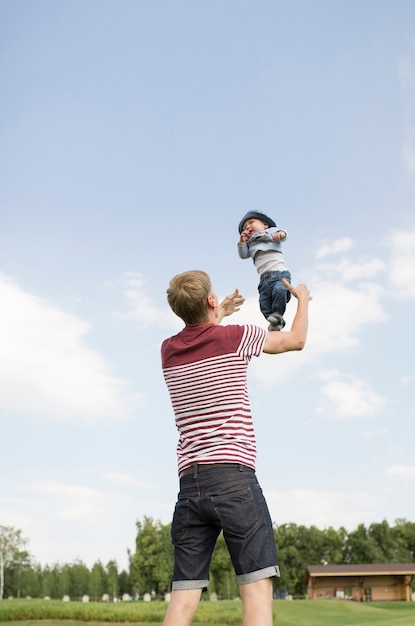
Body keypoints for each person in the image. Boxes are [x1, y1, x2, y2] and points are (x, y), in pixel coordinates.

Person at [160, 269, 312, 626]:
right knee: (257, 594)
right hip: (233, 480)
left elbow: (199, 335)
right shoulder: (235, 337)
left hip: (189, 487)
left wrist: (217, 313)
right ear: (210, 301)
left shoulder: (168, 351)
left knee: (182, 600)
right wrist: (302, 300)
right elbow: (295, 340)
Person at [238, 210, 291, 331]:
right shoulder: (249, 244)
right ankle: (275, 322)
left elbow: (283, 233)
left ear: (265, 224)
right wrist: (242, 242)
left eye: (251, 222)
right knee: (264, 303)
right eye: (245, 228)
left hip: (279, 274)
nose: (248, 227)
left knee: (279, 291)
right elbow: (243, 255)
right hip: (263, 279)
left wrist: (281, 234)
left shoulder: (269, 232)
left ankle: (278, 314)